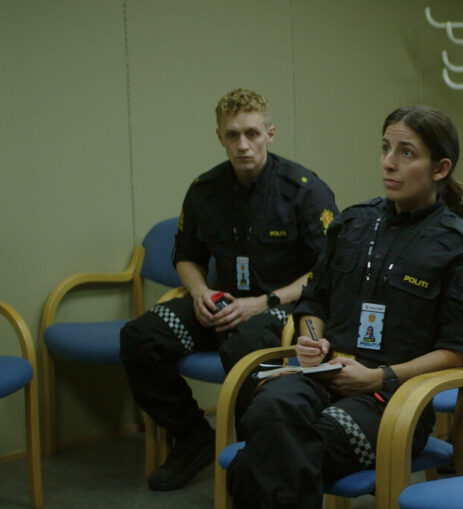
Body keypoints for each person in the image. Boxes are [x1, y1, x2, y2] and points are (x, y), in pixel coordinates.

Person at [226, 105, 463, 507]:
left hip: (394, 398)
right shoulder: (352, 224)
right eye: (386, 148)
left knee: (267, 457)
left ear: (440, 169)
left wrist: (379, 377)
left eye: (407, 153)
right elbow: (314, 300)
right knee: (267, 408)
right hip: (325, 375)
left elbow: (461, 351)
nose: (389, 162)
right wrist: (312, 341)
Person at [119, 88, 338, 491]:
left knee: (244, 346)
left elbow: (326, 272)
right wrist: (199, 292)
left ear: (270, 134)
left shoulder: (304, 190)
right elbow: (186, 256)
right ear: (219, 136)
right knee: (141, 338)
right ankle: (192, 438)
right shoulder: (204, 190)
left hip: (283, 306)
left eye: (252, 134)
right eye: (233, 135)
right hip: (221, 305)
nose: (243, 145)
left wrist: (264, 301)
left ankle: (254, 459)